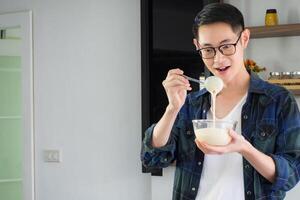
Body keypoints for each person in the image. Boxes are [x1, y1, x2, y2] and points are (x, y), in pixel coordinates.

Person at [141, 3, 300, 200]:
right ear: (197, 46)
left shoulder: (278, 100)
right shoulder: (190, 105)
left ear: (244, 38)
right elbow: (152, 158)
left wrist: (244, 148)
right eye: (208, 50)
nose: (218, 59)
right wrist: (172, 109)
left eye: (226, 46)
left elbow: (291, 174)